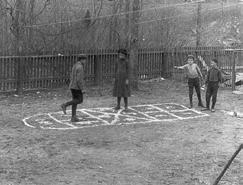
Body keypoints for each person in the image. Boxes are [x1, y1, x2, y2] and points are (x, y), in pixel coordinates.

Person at [61, 54, 87, 122]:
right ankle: (65, 105)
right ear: (81, 60)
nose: (85, 61)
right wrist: (82, 88)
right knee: (79, 100)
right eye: (84, 60)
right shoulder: (80, 67)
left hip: (72, 86)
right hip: (77, 87)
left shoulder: (75, 65)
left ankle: (73, 117)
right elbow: (79, 80)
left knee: (74, 101)